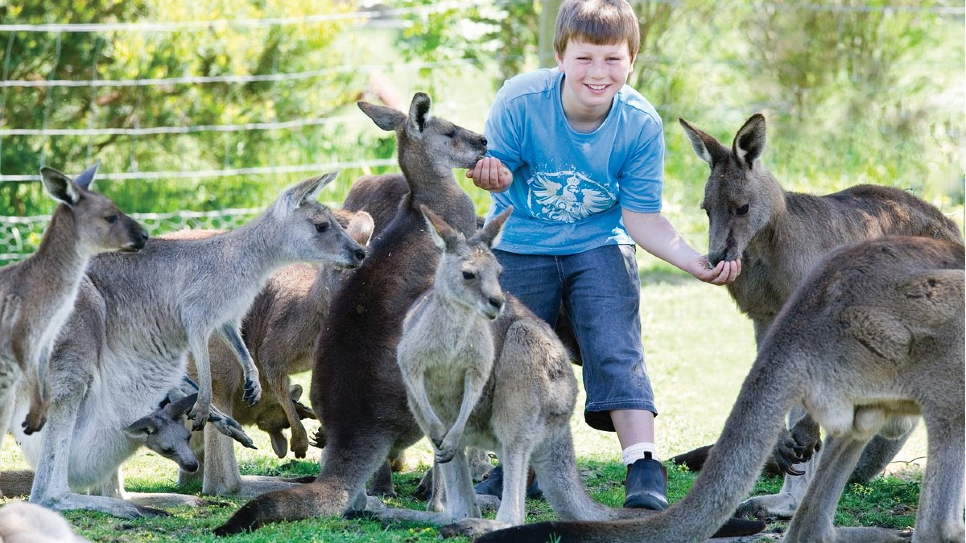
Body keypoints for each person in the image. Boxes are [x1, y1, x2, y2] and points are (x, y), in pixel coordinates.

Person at [467, 0, 741, 511]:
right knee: (510, 351)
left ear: (632, 59)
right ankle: (513, 464)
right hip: (520, 242)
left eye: (613, 59)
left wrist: (694, 262)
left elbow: (641, 217)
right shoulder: (521, 100)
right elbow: (498, 168)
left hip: (600, 242)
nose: (598, 72)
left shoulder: (638, 123)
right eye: (585, 58)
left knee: (615, 343)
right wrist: (495, 173)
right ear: (561, 56)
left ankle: (643, 465)